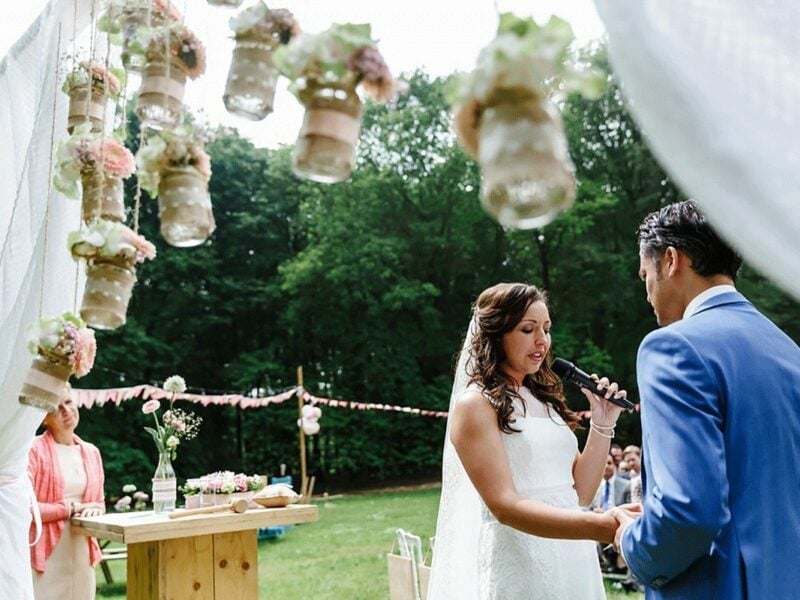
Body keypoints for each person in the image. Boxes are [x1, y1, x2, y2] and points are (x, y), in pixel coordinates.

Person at [613, 200, 800, 598]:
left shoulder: (672, 348)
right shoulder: (789, 351)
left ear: (670, 260)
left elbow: (688, 510)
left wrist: (633, 544)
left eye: (645, 275)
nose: (646, 292)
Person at [428, 282, 630, 600]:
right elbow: (504, 506)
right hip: (524, 561)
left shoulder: (546, 401)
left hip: (575, 555)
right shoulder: (476, 404)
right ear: (497, 334)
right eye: (528, 329)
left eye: (546, 329)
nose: (542, 340)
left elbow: (581, 492)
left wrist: (603, 422)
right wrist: (600, 526)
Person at [28, 390, 105, 600]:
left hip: (83, 550)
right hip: (46, 555)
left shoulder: (92, 452)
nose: (66, 411)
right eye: (56, 407)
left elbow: (99, 503)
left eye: (69, 402)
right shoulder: (33, 449)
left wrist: (94, 510)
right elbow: (28, 508)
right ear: (43, 417)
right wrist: (72, 509)